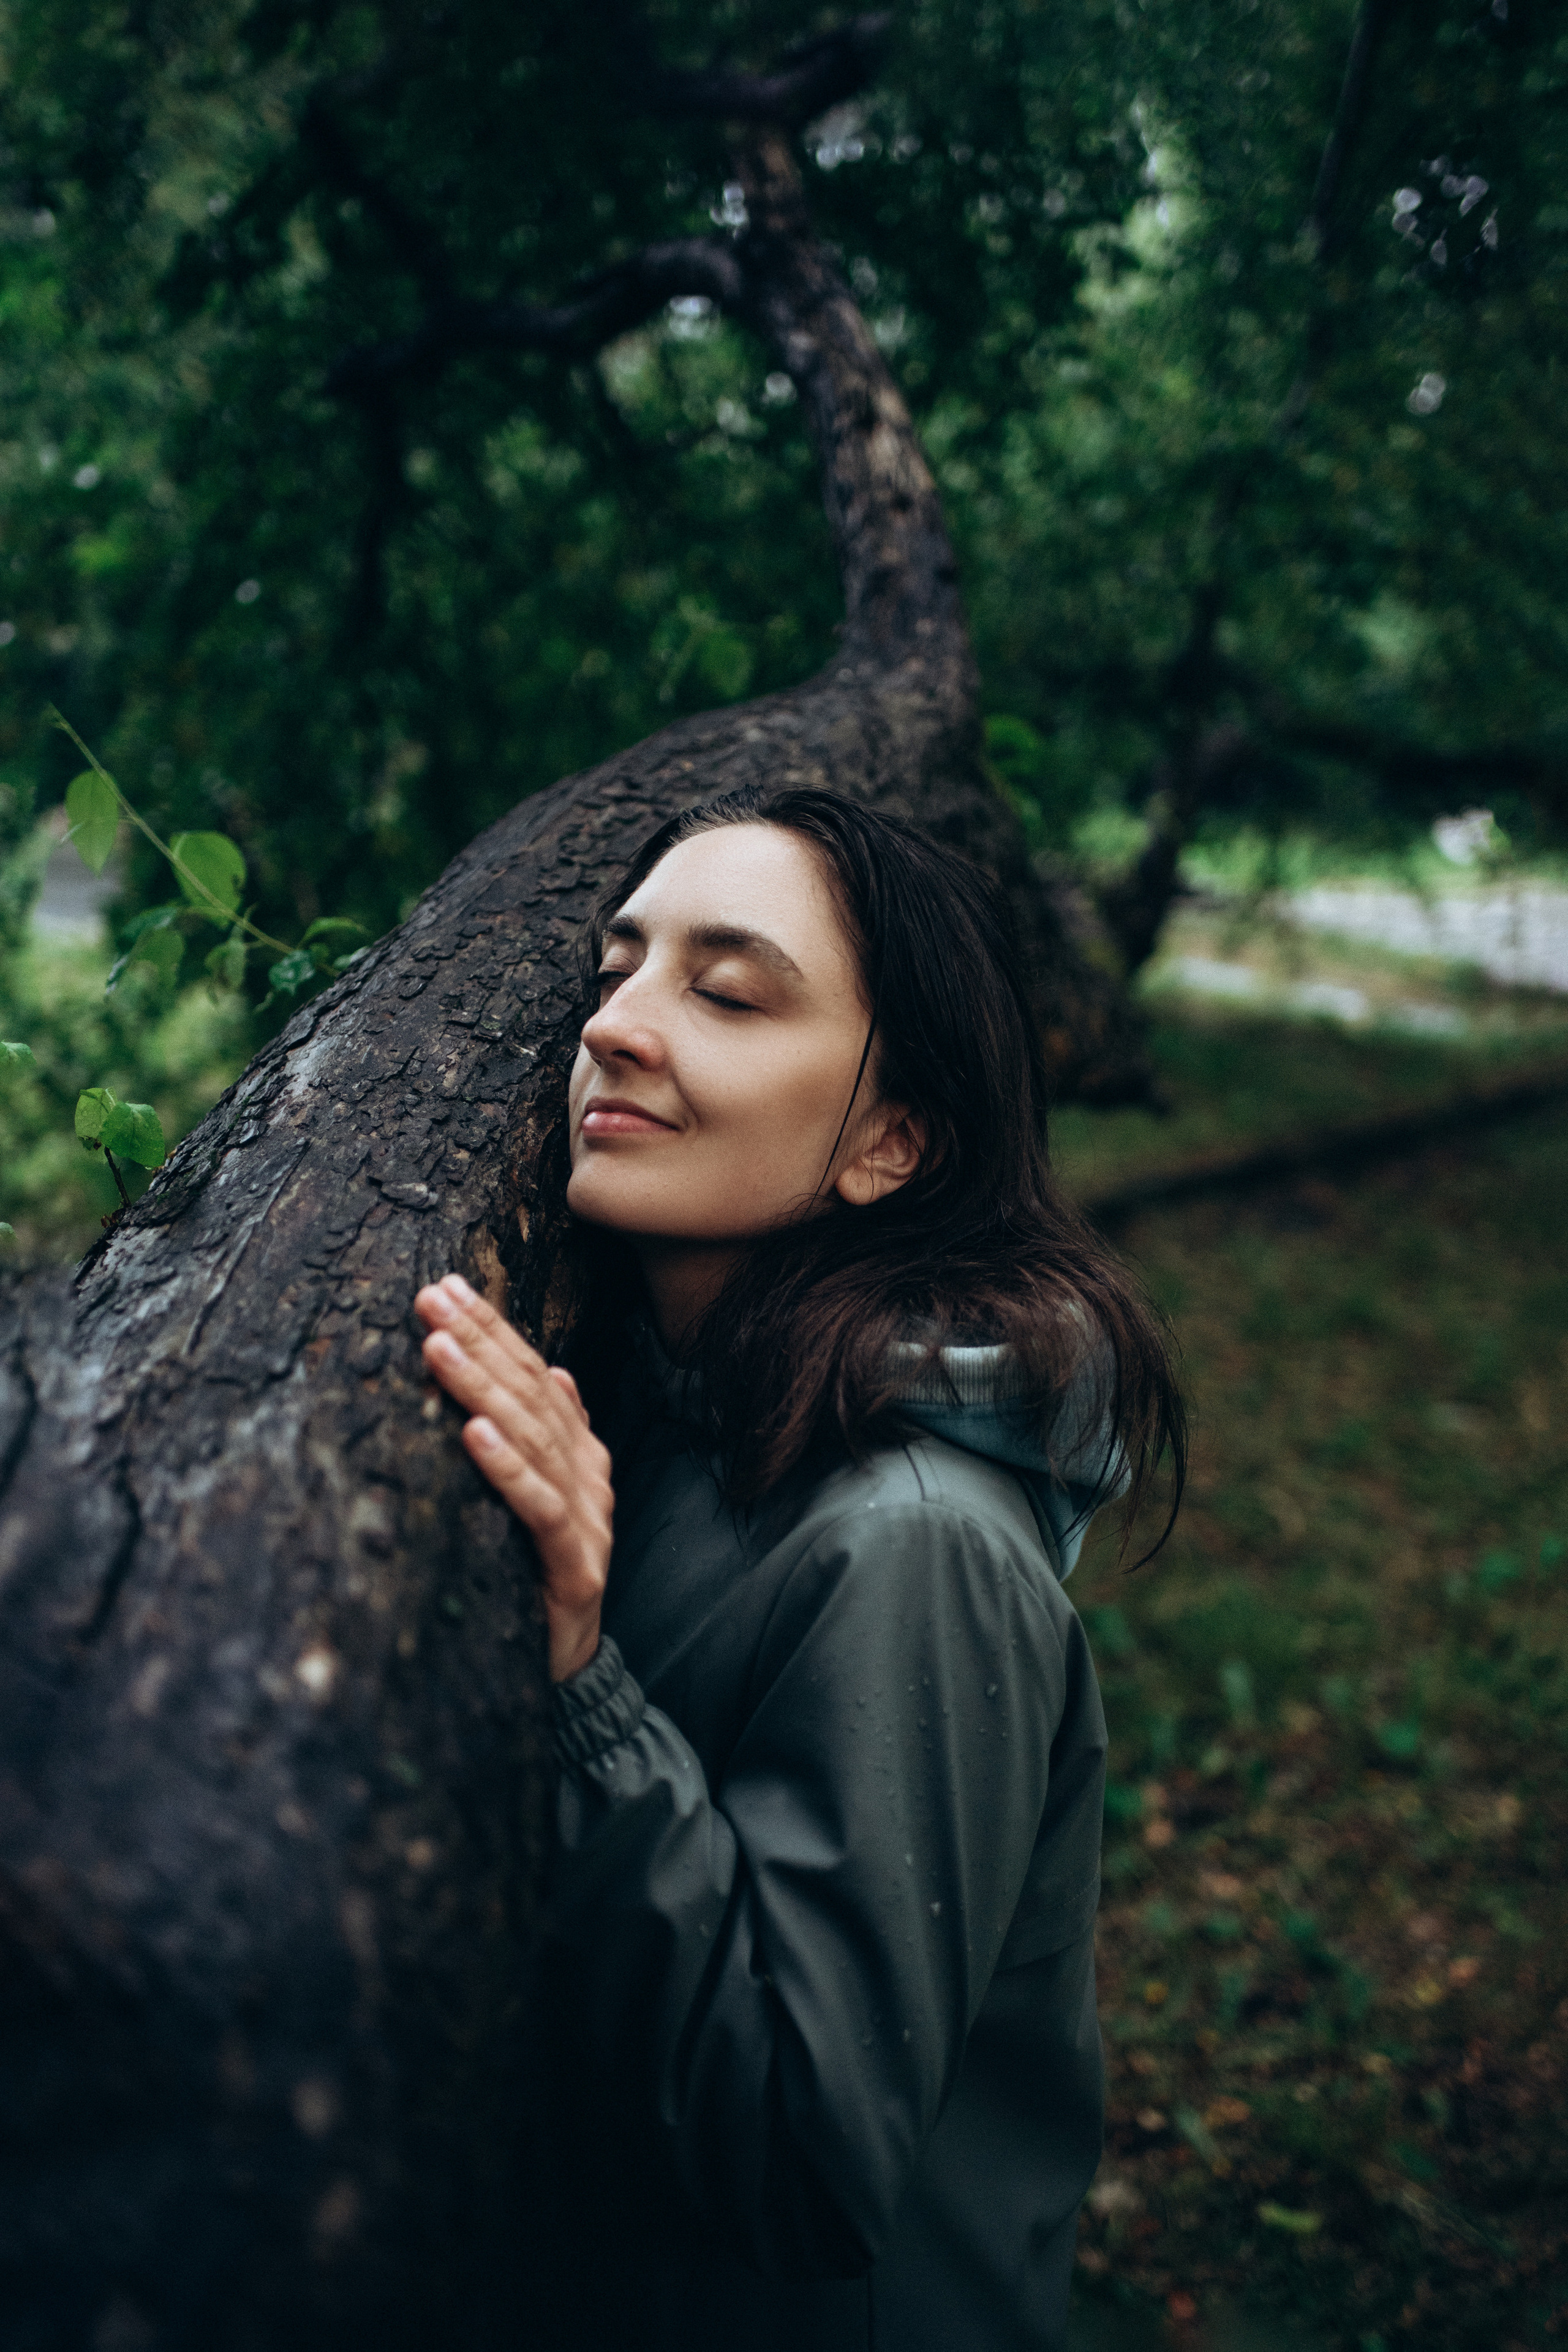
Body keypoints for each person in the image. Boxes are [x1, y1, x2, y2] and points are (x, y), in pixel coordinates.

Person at [414, 786, 1184, 2352]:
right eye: (616, 969)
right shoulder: (687, 1411)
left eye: (726, 990)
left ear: (890, 1140)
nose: (616, 1028)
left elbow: (801, 2156)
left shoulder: (915, 1546)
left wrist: (579, 1686)